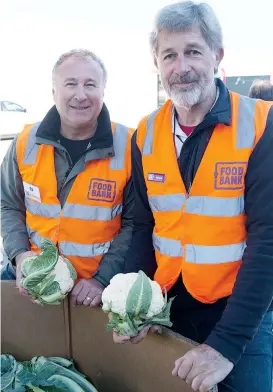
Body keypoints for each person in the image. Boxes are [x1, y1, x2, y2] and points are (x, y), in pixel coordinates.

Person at [116, 2, 273, 392]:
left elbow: (268, 240)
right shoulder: (145, 133)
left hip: (242, 316)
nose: (180, 66)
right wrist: (137, 304)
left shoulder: (260, 125)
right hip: (171, 306)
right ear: (156, 62)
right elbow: (142, 225)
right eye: (169, 55)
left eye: (193, 51)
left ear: (217, 56)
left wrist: (226, 345)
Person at [1, 49, 134, 307]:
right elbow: (8, 204)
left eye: (90, 85)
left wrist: (102, 279)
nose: (80, 95)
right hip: (32, 280)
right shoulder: (24, 142)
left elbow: (135, 223)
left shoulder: (129, 146)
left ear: (103, 91)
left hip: (93, 290)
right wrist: (19, 256)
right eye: (70, 84)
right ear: (54, 92)